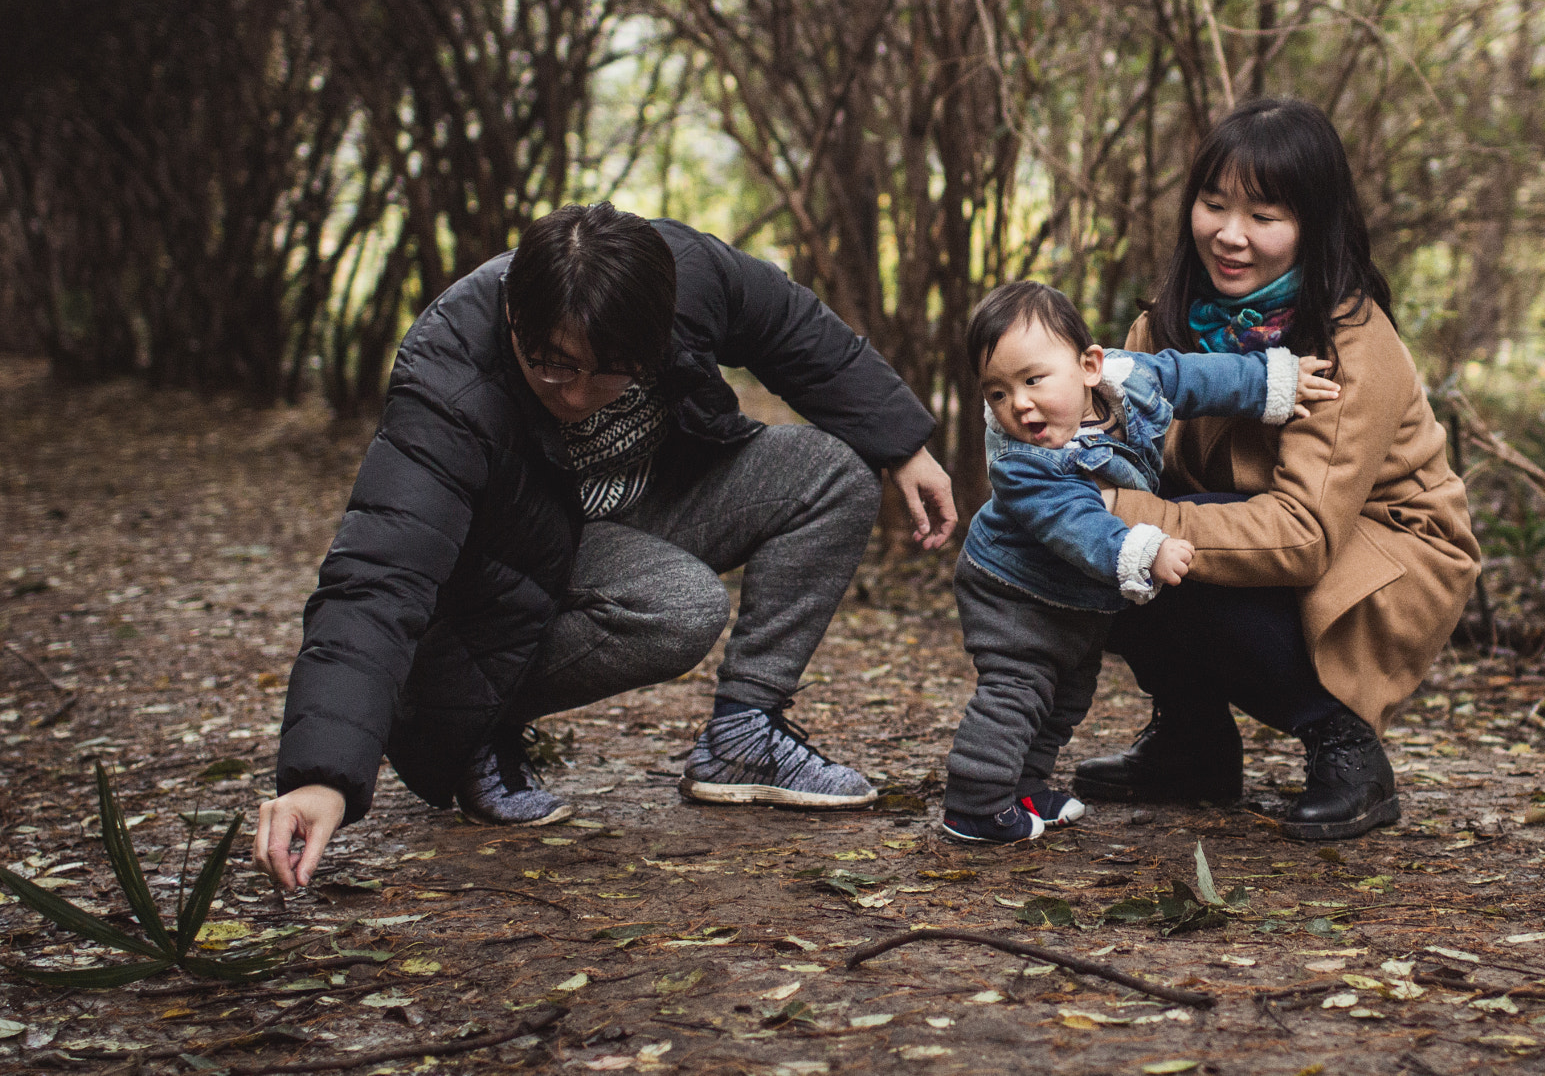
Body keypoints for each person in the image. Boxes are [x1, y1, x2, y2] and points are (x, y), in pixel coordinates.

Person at [252, 203, 956, 890]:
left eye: (613, 371)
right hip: (511, 563)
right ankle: (470, 719)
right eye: (553, 366)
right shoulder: (448, 383)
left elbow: (792, 327)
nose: (580, 394)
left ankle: (744, 738)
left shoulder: (682, 277)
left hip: (648, 501)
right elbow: (376, 576)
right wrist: (321, 775)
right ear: (513, 320)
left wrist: (904, 446)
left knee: (834, 470)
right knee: (680, 607)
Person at [1073, 98, 1481, 841]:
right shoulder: (1166, 324)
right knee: (1080, 534)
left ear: (1313, 224)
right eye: (1213, 204)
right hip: (1248, 524)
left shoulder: (1347, 343)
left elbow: (1300, 536)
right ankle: (1193, 743)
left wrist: (1121, 516)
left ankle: (1346, 747)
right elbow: (1115, 459)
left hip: (1382, 554)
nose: (1230, 235)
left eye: (1264, 215)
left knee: (1146, 538)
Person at [940, 282, 1339, 845]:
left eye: (1033, 380)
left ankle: (1024, 788)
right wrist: (1145, 550)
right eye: (998, 393)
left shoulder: (1128, 381)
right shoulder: (1022, 463)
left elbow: (1189, 377)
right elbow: (1075, 524)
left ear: (1089, 366)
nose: (1019, 404)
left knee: (1069, 692)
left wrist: (1269, 383)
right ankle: (975, 803)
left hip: (1071, 595)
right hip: (1011, 587)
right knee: (1019, 687)